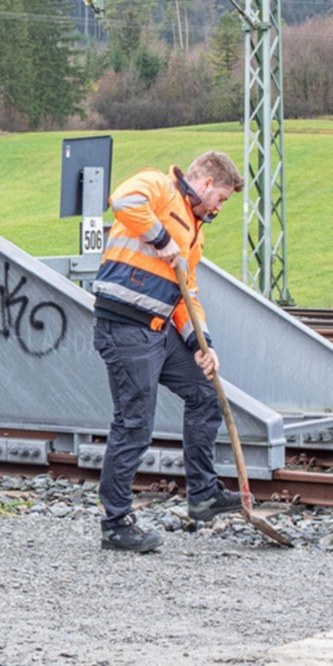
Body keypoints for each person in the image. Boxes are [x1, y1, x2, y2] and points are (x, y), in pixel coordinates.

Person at [90, 151, 246, 552]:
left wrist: (200, 343)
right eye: (222, 198)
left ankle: (203, 495)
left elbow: (186, 292)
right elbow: (124, 200)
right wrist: (162, 240)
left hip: (158, 331)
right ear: (207, 183)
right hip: (124, 327)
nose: (220, 207)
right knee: (135, 423)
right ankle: (116, 524)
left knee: (204, 393)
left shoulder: (195, 230)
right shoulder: (158, 185)